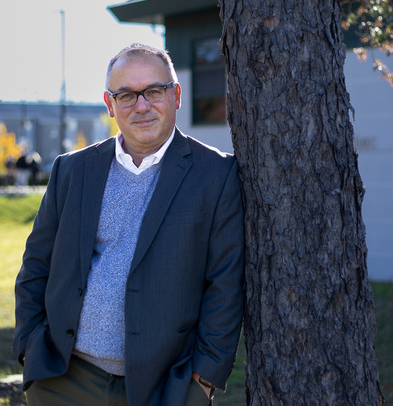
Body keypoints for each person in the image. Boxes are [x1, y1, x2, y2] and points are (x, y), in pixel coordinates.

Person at [13, 43, 244, 405]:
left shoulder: (217, 174)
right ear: (110, 104)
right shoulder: (72, 171)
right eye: (126, 95)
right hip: (63, 378)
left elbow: (226, 285)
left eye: (154, 91)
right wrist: (29, 346)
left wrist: (202, 381)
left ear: (176, 95)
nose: (142, 105)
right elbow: (35, 266)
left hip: (164, 385)